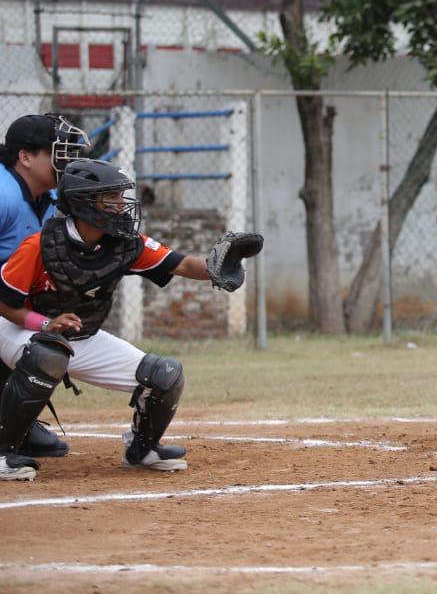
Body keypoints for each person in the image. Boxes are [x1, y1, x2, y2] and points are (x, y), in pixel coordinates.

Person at [0, 158, 262, 481]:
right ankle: (3, 451)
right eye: (110, 198)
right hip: (20, 328)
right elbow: (5, 305)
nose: (121, 206)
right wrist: (44, 324)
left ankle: (142, 449)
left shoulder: (124, 244)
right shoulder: (40, 246)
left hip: (82, 336)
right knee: (48, 354)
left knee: (165, 375)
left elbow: (179, 264)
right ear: (84, 203)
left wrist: (213, 267)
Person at [0, 113, 89, 458]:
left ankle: (15, 421)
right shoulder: (4, 194)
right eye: (57, 151)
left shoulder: (53, 197)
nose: (66, 160)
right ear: (25, 157)